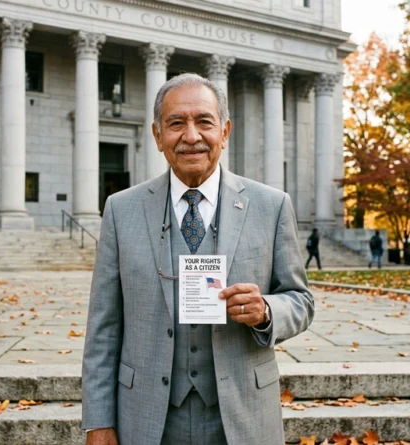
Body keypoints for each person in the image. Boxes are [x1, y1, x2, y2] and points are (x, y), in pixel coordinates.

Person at [82, 73, 314, 445]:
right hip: (146, 418)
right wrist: (98, 422)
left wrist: (266, 311)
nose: (191, 136)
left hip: (242, 415)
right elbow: (103, 328)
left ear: (225, 131)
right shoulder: (120, 210)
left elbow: (301, 301)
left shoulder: (271, 206)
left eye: (204, 121)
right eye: (176, 124)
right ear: (158, 136)